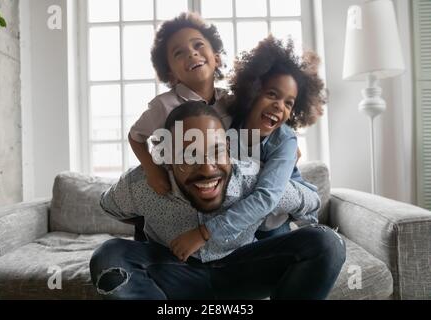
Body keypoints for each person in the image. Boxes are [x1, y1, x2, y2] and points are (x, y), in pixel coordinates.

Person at [90, 101, 346, 300]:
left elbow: (312, 201)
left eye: (216, 151)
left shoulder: (251, 178)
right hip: (174, 271)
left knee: (326, 242)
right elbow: (108, 205)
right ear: (167, 158)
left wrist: (282, 175)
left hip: (242, 269)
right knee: (109, 254)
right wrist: (147, 221)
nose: (207, 168)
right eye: (189, 155)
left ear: (228, 148)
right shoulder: (142, 183)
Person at [170, 36, 327, 260]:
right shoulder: (227, 122)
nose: (279, 106)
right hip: (239, 217)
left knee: (271, 269)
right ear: (253, 90)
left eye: (289, 103)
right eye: (272, 94)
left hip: (273, 221)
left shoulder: (285, 140)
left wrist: (204, 233)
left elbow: (266, 197)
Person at [128, 12, 232, 195]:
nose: (192, 53)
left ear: (216, 58)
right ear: (170, 74)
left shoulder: (230, 101)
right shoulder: (163, 106)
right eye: (179, 53)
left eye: (198, 45)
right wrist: (152, 171)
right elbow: (135, 137)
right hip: (177, 191)